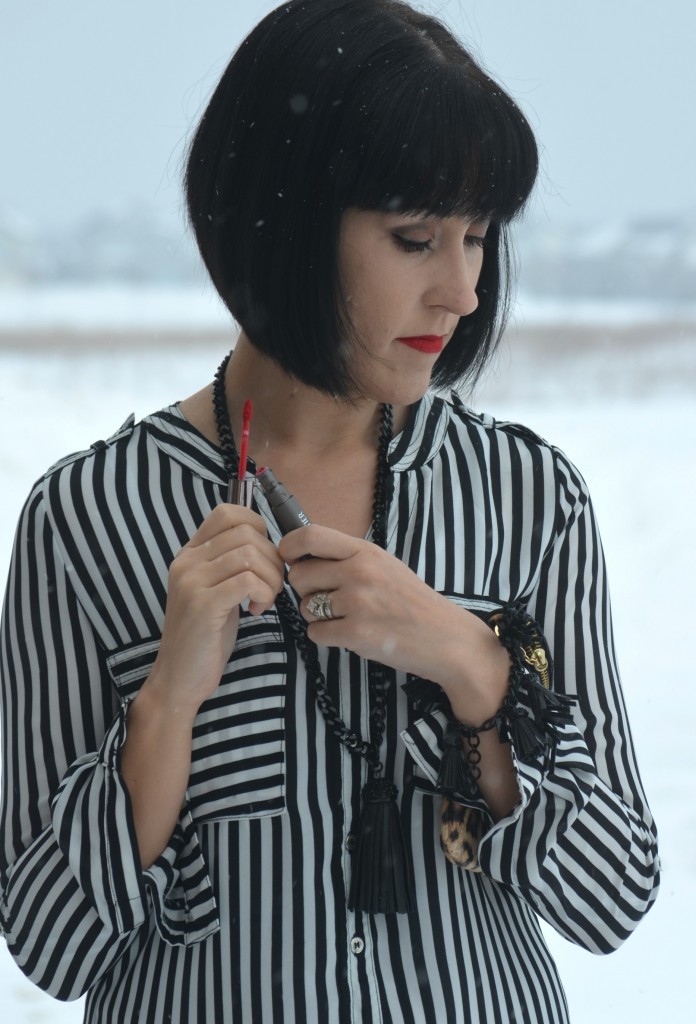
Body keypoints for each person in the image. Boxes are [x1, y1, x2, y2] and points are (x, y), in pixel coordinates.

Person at [0, 1, 659, 1021]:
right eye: (414, 238)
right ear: (288, 215)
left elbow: (613, 892)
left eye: (478, 239)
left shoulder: (529, 500)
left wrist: (475, 664)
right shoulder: (89, 518)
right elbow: (48, 942)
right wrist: (167, 705)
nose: (463, 290)